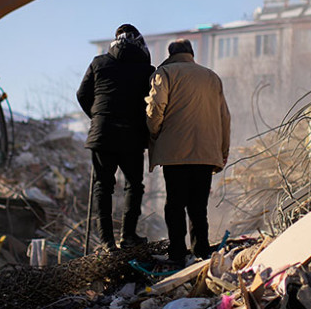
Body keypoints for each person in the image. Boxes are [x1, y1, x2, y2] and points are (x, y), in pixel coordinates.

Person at [145, 39, 231, 264]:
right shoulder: (212, 77)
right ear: (191, 54)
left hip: (175, 153)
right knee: (198, 205)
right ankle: (201, 250)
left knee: (175, 204)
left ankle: (177, 252)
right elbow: (225, 117)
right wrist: (222, 150)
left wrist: (155, 134)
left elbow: (155, 108)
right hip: (206, 152)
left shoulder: (164, 73)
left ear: (171, 54)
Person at [77, 24, 155, 252]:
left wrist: (97, 116)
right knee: (134, 186)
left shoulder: (98, 62)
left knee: (103, 186)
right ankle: (128, 236)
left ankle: (106, 241)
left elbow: (82, 94)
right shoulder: (146, 69)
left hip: (102, 134)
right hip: (132, 136)